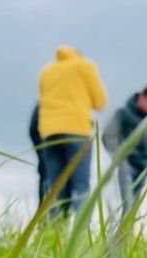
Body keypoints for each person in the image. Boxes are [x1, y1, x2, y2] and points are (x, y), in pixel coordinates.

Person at [38, 45, 108, 217]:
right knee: (81, 184)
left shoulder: (46, 71)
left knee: (55, 185)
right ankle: (80, 235)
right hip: (77, 130)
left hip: (50, 132)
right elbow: (100, 102)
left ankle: (52, 233)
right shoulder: (84, 65)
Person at [103, 86, 147, 215]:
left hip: (143, 166)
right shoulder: (122, 114)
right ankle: (123, 233)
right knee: (127, 203)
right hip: (127, 164)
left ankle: (129, 233)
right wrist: (119, 155)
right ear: (141, 97)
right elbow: (108, 135)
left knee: (135, 204)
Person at [29, 104, 48, 205]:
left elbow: (32, 130)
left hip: (45, 155)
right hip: (47, 157)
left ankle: (46, 218)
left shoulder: (44, 101)